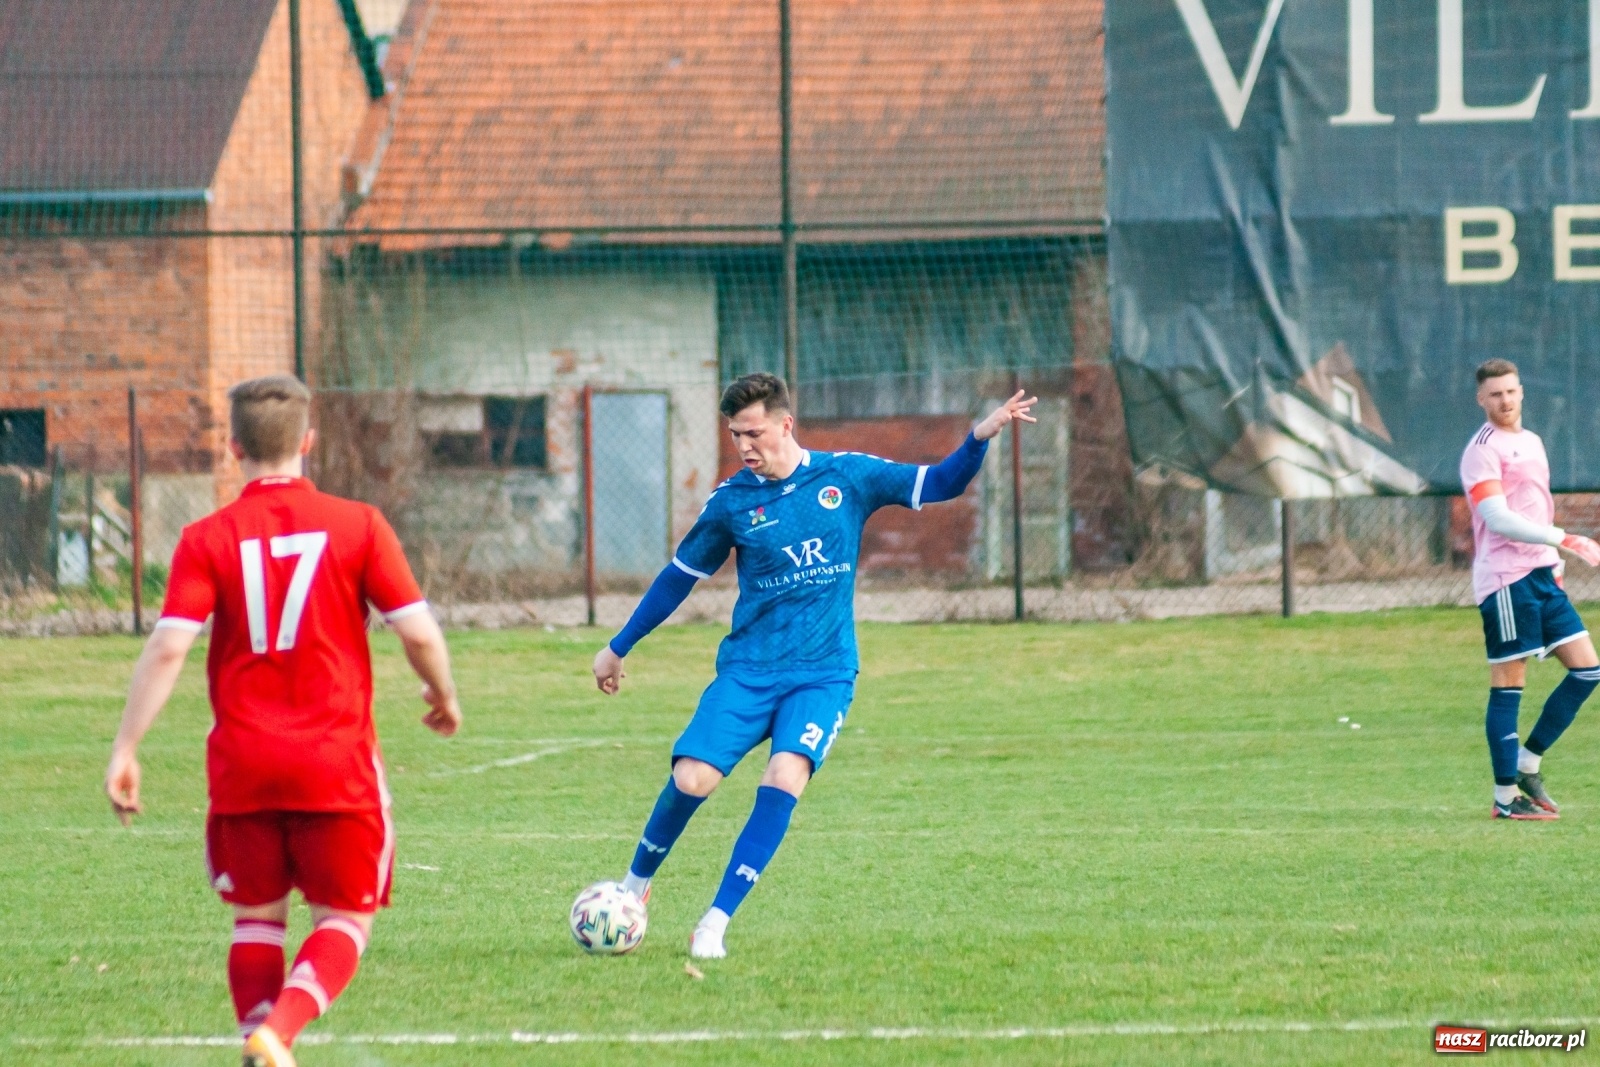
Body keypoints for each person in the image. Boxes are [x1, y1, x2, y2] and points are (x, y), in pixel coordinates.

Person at [592, 372, 1036, 958]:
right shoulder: (730, 503)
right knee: (691, 779)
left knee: (785, 776)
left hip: (823, 673)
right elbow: (680, 579)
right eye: (734, 435)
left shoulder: (846, 476)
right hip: (749, 669)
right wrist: (619, 644)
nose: (744, 445)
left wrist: (980, 435)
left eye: (753, 432)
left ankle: (715, 922)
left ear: (784, 424)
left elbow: (942, 482)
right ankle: (633, 889)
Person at [103, 375, 462, 1067]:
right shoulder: (358, 524)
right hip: (338, 767)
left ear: (233, 446)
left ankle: (257, 1036)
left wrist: (126, 746)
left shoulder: (206, 536)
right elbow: (416, 630)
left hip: (242, 770)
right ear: (309, 441)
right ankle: (279, 1032)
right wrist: (442, 691)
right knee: (345, 918)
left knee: (257, 918)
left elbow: (171, 643)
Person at [1460, 358, 1600, 820]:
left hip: (1542, 574)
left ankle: (1528, 762)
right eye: (1495, 394)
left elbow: (1535, 507)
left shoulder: (1534, 442)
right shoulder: (1481, 449)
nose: (1505, 401)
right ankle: (1504, 799)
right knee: (1509, 683)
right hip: (1505, 579)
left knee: (1587, 672)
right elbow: (1497, 516)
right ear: (1481, 399)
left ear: (1522, 392)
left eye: (1511, 391)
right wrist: (1565, 538)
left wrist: (1554, 560)